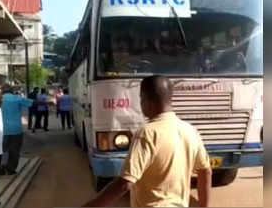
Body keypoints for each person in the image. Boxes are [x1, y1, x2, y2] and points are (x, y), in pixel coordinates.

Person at [82, 75, 212, 207]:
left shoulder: (147, 133)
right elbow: (205, 171)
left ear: (147, 100)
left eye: (141, 99)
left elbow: (125, 183)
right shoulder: (190, 131)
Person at [0, 84, 34, 175]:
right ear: (12, 91)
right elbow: (32, 103)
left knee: (1, 150)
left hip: (1, 130)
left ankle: (1, 168)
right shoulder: (17, 98)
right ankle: (11, 169)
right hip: (16, 129)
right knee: (14, 150)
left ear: (2, 91)